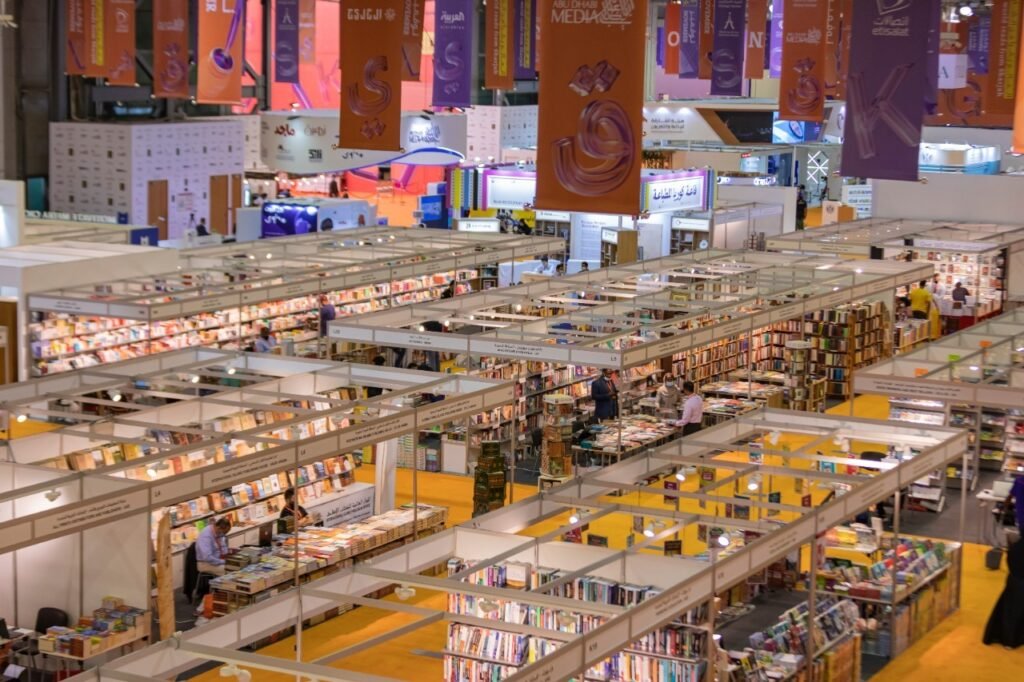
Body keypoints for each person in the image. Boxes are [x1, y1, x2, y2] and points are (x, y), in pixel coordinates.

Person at [983, 536, 1024, 649]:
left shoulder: (1016, 547)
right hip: (1019, 585)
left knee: (1009, 610)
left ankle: (1008, 639)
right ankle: (1010, 640)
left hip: (1013, 582)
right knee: (1016, 613)